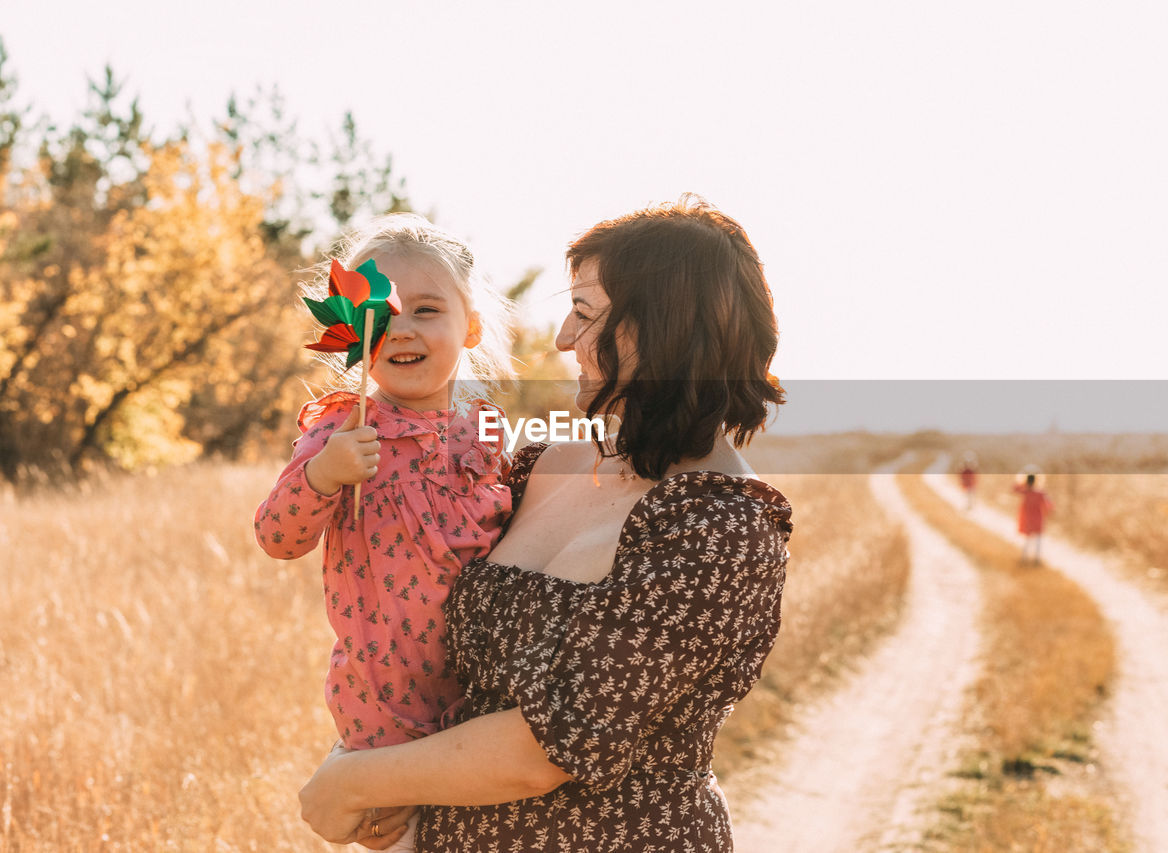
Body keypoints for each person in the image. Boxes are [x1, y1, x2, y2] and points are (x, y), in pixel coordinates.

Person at [297, 195, 792, 852]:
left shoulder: (721, 526)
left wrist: (353, 782)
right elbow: (418, 620)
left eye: (585, 314)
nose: (561, 337)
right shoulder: (535, 465)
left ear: (660, 329)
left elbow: (545, 747)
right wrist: (375, 745)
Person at [255, 214, 514, 853]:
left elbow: (519, 522)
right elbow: (276, 537)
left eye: (426, 309)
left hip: (483, 703)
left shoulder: (484, 427)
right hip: (384, 715)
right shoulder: (343, 428)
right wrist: (321, 475)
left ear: (470, 325)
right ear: (348, 329)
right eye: (378, 312)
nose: (400, 326)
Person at [1013, 469, 1053, 565]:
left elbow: (1014, 489)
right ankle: (1037, 560)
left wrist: (1022, 481)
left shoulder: (1025, 491)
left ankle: (1024, 558)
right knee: (1038, 541)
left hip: (1027, 519)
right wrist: (1048, 512)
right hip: (1038, 519)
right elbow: (1049, 505)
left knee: (1027, 540)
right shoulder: (1041, 492)